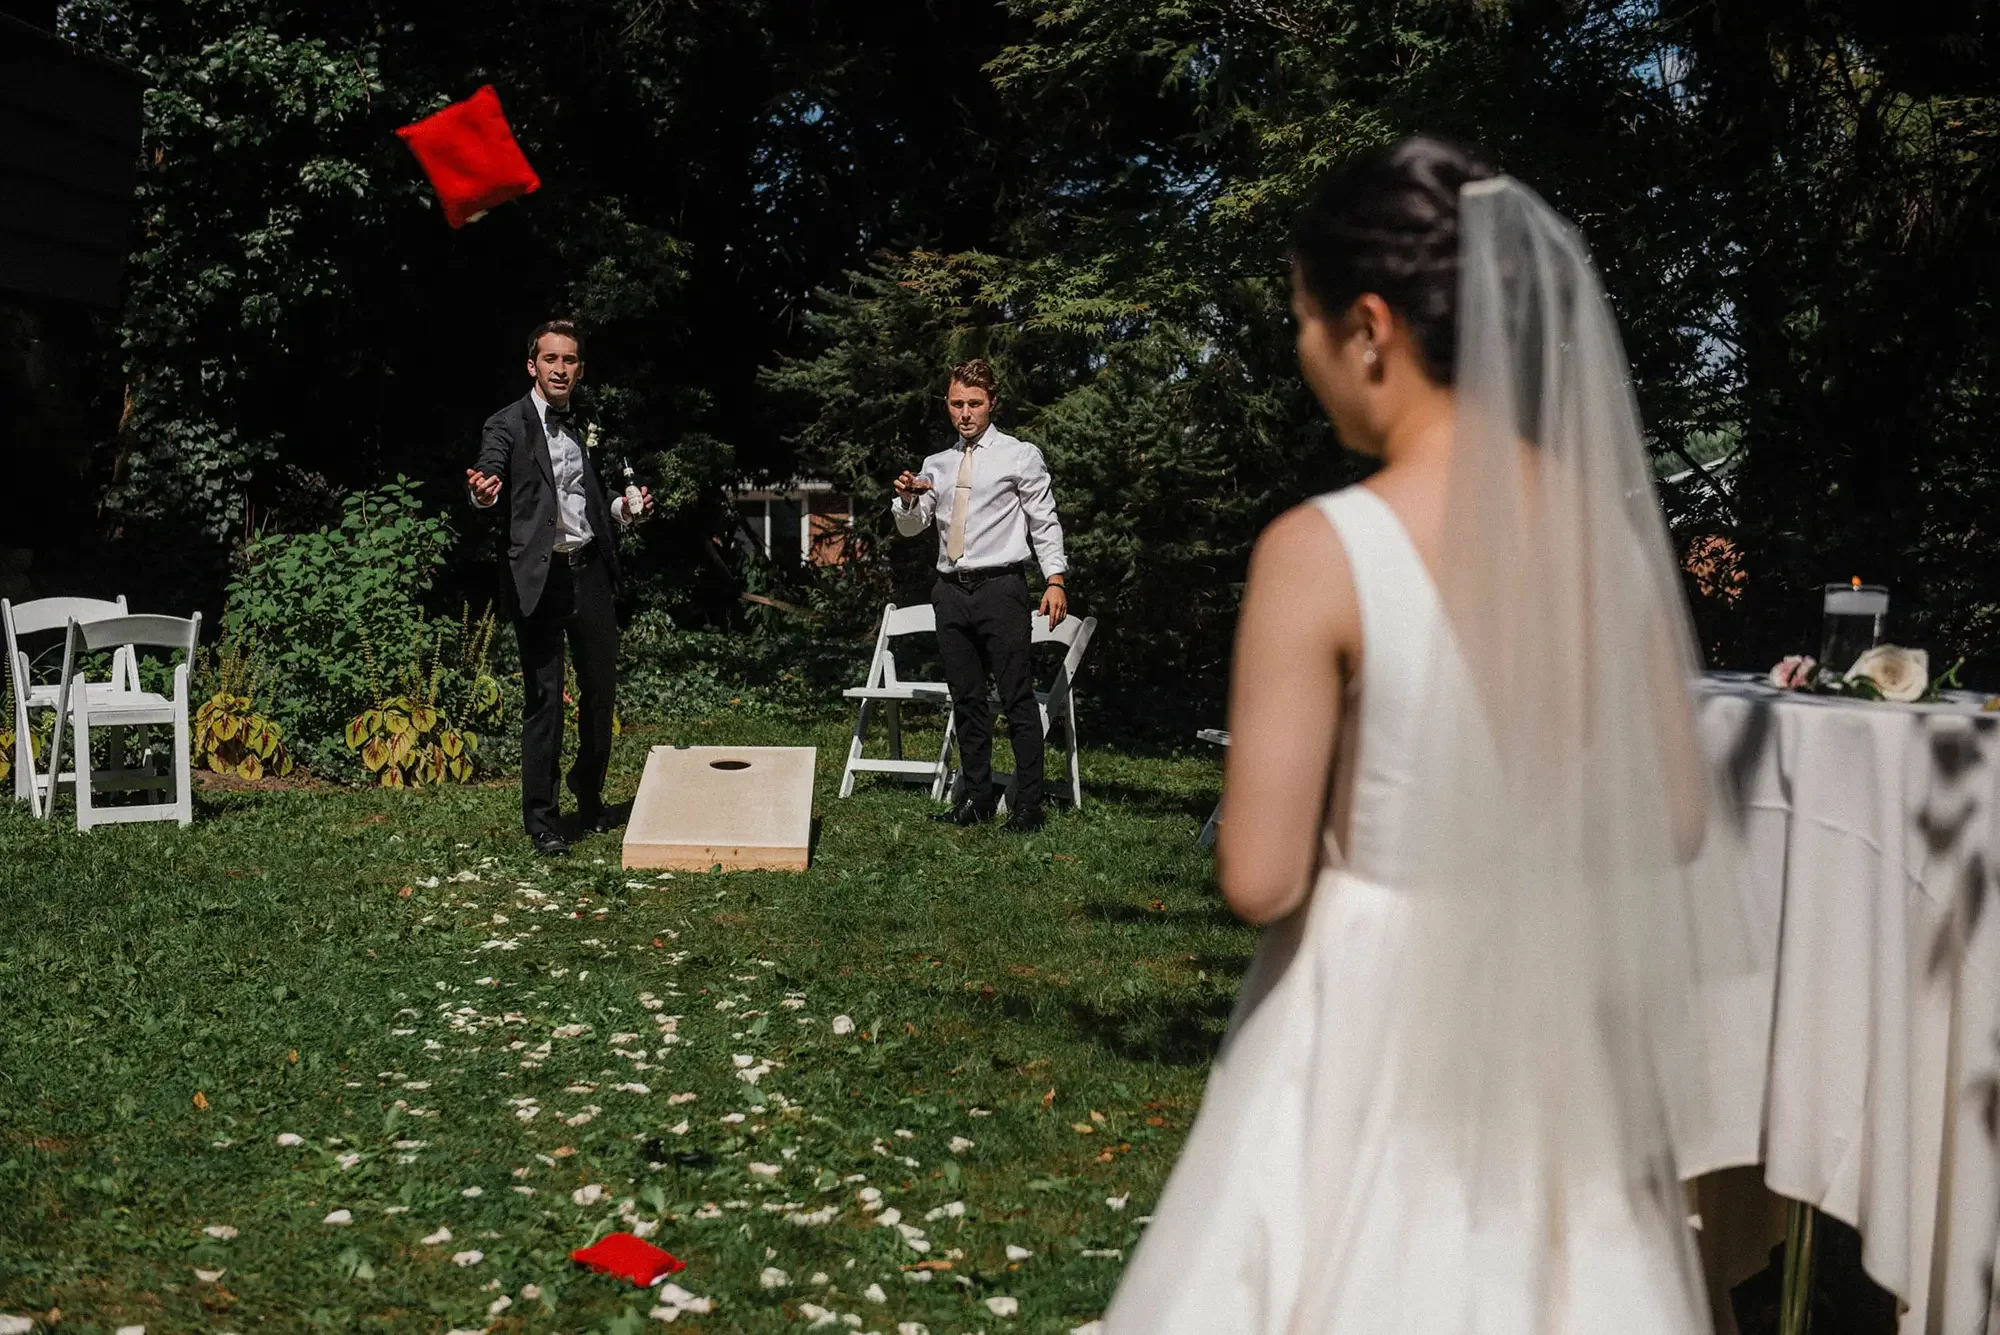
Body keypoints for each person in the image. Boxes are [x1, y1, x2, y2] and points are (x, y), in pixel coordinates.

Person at [1099, 139, 1759, 1332]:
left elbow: (1258, 877)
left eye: (1300, 321)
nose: (1300, 353)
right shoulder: (1605, 540)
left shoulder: (1318, 549)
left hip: (1368, 1020)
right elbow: (1669, 816)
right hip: (1553, 1036)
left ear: (1368, 328)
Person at [466, 319, 652, 857]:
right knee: (545, 699)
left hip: (589, 571)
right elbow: (487, 477)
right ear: (533, 366)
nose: (560, 369)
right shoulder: (506, 424)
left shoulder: (585, 424)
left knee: (600, 692)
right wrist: (483, 493)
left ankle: (588, 794)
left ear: (580, 370)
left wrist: (625, 509)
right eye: (551, 359)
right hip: (539, 579)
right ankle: (543, 819)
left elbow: (589, 495)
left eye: (569, 360)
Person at [892, 358, 1070, 833]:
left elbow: (1044, 520)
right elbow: (912, 527)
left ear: (992, 403)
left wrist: (1055, 579)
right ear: (947, 405)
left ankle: (1029, 805)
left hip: (1001, 588)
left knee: (1016, 698)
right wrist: (908, 499)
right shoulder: (937, 465)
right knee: (966, 698)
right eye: (957, 404)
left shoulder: (1019, 455)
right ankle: (977, 798)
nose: (965, 413)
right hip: (950, 591)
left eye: (974, 403)